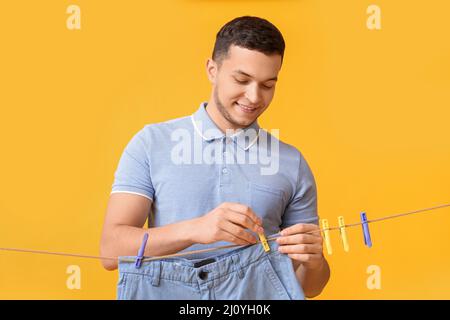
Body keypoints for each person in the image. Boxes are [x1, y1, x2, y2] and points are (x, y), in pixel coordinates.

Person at [100, 15, 330, 298]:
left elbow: (308, 287)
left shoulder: (291, 163)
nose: (254, 96)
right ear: (212, 69)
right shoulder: (151, 143)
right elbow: (110, 252)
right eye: (242, 79)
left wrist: (314, 261)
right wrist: (195, 230)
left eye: (268, 85)